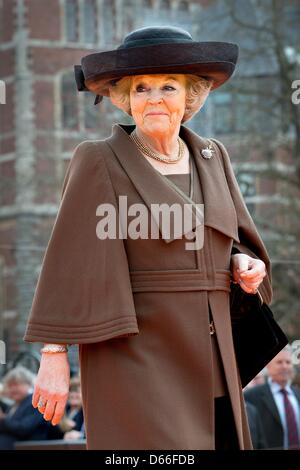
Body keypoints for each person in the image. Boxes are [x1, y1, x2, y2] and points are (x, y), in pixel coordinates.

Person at [24, 26, 272, 450]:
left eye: (168, 86)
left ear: (191, 96)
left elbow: (237, 242)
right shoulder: (97, 158)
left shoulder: (214, 156)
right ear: (125, 97)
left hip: (215, 355)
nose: (154, 98)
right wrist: (53, 357)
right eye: (141, 88)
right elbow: (70, 259)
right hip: (134, 356)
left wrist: (242, 262)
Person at [245, 346, 300, 449]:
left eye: (288, 362)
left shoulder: (298, 394)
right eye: (279, 362)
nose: (284, 366)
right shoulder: (251, 396)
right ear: (268, 366)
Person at [0, 366, 49, 449]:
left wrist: (3, 419)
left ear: (28, 384)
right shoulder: (13, 406)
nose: (12, 389)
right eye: (10, 386)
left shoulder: (36, 403)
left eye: (16, 385)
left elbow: (25, 428)